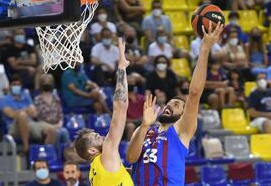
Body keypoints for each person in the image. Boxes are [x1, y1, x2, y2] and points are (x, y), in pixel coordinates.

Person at [126, 22, 224, 185]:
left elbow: (194, 94)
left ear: (182, 115)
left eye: (177, 105)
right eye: (170, 103)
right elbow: (130, 158)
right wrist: (143, 126)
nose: (170, 106)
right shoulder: (144, 128)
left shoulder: (181, 130)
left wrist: (205, 48)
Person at [74, 38, 133, 185]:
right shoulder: (106, 152)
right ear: (92, 151)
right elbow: (120, 107)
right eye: (96, 137)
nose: (102, 136)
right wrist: (121, 68)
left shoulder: (93, 171)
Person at [0, 74, 57, 153]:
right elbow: (11, 114)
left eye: (18, 84)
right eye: (14, 85)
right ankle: (26, 147)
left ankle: (44, 154)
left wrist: (21, 111)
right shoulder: (4, 99)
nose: (16, 86)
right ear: (9, 86)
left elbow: (34, 113)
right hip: (14, 126)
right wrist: (26, 111)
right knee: (22, 116)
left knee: (52, 130)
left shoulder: (26, 96)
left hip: (31, 123)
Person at [34, 74, 70, 149]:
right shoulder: (37, 99)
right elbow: (38, 119)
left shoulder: (56, 98)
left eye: (49, 82)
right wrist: (52, 127)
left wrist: (58, 125)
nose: (47, 84)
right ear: (41, 84)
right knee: (55, 133)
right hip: (44, 127)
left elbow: (60, 115)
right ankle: (55, 156)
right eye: (45, 82)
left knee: (64, 131)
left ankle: (68, 154)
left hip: (57, 125)